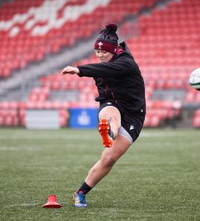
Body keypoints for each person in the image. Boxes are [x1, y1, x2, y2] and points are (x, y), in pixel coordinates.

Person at [60, 23, 146, 208]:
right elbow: (104, 93)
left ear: (114, 50)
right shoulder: (101, 67)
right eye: (97, 52)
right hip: (111, 104)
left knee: (108, 158)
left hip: (133, 114)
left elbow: (107, 70)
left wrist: (80, 70)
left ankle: (81, 191)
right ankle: (109, 131)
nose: (100, 56)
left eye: (104, 53)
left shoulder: (126, 63)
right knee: (110, 115)